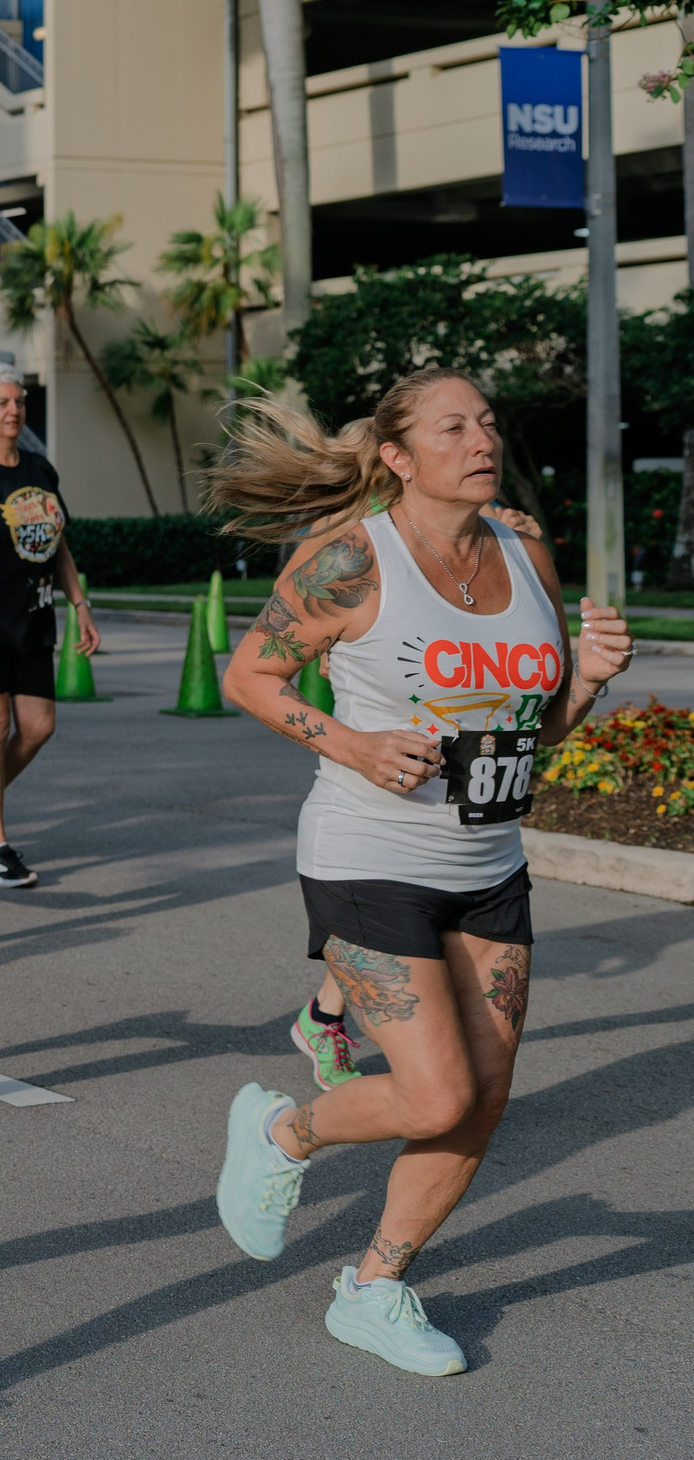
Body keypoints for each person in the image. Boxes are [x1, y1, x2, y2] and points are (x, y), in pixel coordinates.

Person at [207, 373, 628, 1375]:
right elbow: (247, 677)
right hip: (367, 857)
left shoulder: (524, 547)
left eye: (488, 419)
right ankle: (280, 1132)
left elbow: (533, 734)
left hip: (486, 859)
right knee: (434, 1096)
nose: (480, 437)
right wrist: (351, 745)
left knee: (481, 1097)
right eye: (453, 426)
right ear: (397, 455)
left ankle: (374, 1287)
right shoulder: (351, 558)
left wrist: (590, 681)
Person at [0, 365, 99, 889]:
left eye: (20, 402)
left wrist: (79, 604)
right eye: (4, 402)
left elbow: (58, 545)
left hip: (35, 618)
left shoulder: (40, 468)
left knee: (37, 727)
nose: (14, 410)